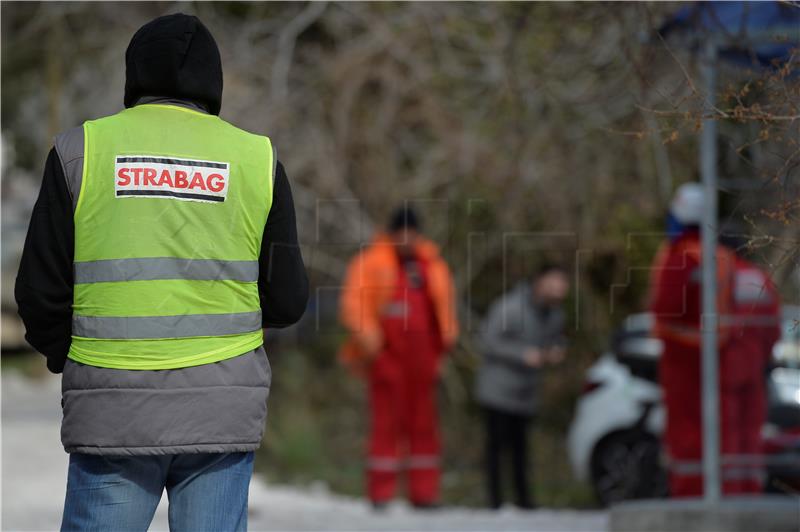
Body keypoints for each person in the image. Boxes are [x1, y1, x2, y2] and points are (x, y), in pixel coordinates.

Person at [15, 14, 308, 531]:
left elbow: (40, 291)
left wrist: (75, 359)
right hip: (221, 410)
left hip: (112, 409)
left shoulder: (80, 151)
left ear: (135, 75)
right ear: (213, 82)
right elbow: (286, 300)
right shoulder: (256, 159)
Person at [338, 206, 458, 508]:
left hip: (423, 358)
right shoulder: (371, 261)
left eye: (411, 232)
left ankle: (424, 494)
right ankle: (381, 494)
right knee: (385, 425)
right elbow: (354, 305)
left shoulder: (432, 264)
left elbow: (443, 309)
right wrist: (370, 340)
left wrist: (444, 346)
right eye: (401, 232)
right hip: (386, 356)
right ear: (391, 234)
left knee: (423, 426)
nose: (406, 238)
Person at [648, 182, 736, 498]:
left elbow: (665, 308)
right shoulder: (723, 256)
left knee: (686, 435)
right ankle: (715, 494)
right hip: (721, 355)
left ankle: (689, 497)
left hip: (683, 358)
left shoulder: (679, 256)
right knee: (717, 431)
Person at [474, 264, 570, 510]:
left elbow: (557, 338)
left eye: (562, 285)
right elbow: (487, 339)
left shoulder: (555, 314)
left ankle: (524, 501)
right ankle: (494, 502)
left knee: (521, 450)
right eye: (554, 283)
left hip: (526, 392)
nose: (558, 290)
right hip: (497, 389)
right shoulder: (510, 307)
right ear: (539, 281)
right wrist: (522, 354)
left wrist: (555, 351)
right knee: (496, 448)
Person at [719, 230, 781, 494]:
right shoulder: (759, 279)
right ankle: (749, 494)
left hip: (722, 372)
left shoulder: (718, 278)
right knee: (750, 437)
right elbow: (774, 328)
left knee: (725, 437)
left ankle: (727, 494)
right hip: (754, 370)